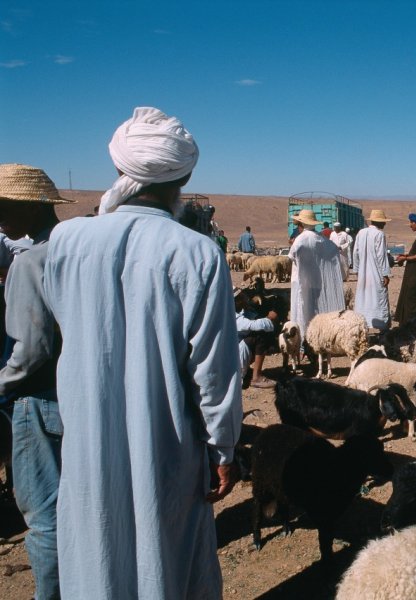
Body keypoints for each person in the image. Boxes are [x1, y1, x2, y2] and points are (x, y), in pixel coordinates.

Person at [42, 107, 242, 598]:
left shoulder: (65, 241)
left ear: (119, 168)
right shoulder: (197, 253)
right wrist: (224, 448)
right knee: (166, 556)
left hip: (88, 436)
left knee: (97, 549)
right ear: (185, 175)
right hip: (166, 443)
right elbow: (214, 372)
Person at [0, 164, 73, 600]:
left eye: (5, 207)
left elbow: (29, 352)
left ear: (28, 205)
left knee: (44, 517)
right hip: (78, 397)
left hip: (37, 401)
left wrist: (2, 382)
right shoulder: (78, 252)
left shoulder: (30, 263)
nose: (1, 217)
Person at [288, 209, 345, 352]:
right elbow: (333, 250)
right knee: (317, 311)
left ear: (301, 223)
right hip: (317, 281)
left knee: (302, 309)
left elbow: (292, 256)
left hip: (301, 282)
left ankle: (302, 343)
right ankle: (319, 340)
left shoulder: (300, 240)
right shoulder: (321, 240)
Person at [354, 209, 392, 330]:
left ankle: (362, 324)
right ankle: (381, 326)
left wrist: (357, 270)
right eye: (383, 222)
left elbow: (356, 252)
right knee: (378, 299)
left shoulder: (361, 232)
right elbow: (381, 255)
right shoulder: (379, 234)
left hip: (363, 274)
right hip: (376, 274)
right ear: (380, 222)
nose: (385, 224)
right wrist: (385, 274)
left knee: (363, 298)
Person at [234, 289, 278, 384]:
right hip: (232, 359)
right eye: (241, 298)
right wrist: (269, 318)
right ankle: (256, 377)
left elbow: (254, 316)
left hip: (235, 354)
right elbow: (252, 325)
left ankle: (246, 369)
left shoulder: (240, 312)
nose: (245, 299)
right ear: (236, 301)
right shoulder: (232, 316)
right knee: (260, 335)